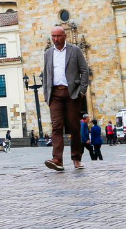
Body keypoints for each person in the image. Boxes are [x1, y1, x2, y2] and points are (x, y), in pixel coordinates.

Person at [43, 26, 90, 172]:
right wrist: (46, 94)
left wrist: (81, 91)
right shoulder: (48, 53)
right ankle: (57, 159)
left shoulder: (75, 50)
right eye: (53, 36)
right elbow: (45, 74)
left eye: (58, 36)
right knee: (56, 126)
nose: (55, 39)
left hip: (72, 94)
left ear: (65, 36)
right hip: (55, 94)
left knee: (74, 126)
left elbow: (84, 70)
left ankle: (76, 158)